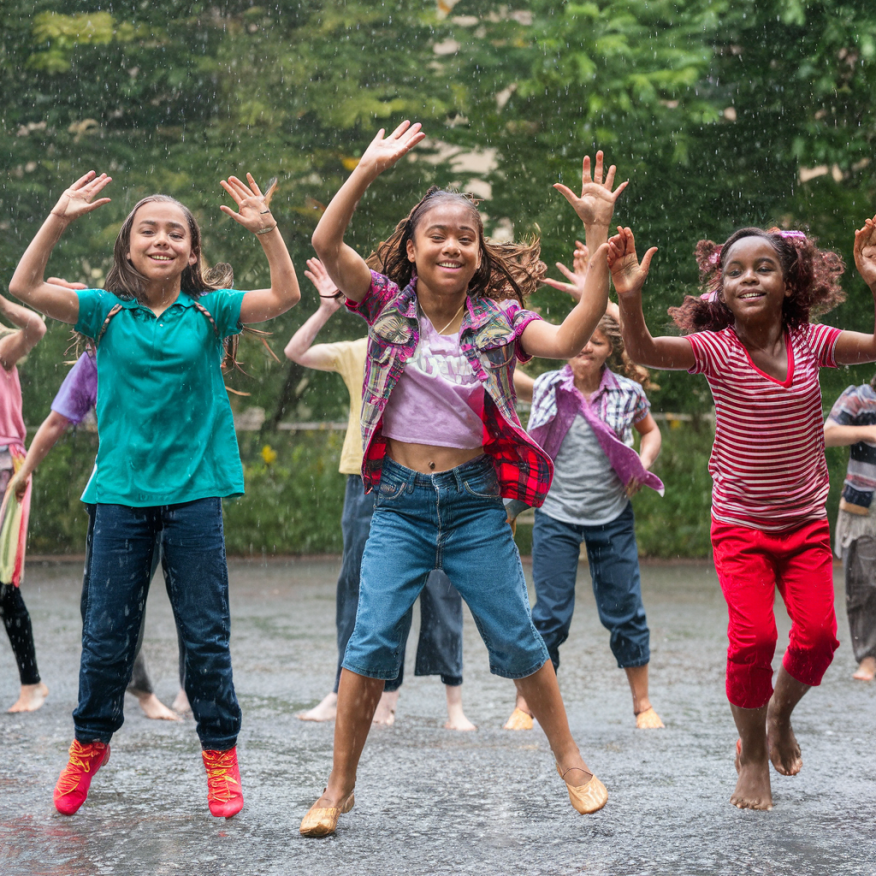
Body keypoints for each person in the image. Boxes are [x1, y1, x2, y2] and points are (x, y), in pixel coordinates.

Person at [300, 120, 625, 837]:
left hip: (476, 506)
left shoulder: (500, 320)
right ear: (412, 248)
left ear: (479, 254)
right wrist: (366, 171)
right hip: (400, 505)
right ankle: (337, 787)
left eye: (466, 237)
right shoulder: (386, 305)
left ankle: (571, 762)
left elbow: (572, 339)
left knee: (517, 639)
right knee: (369, 642)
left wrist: (599, 238)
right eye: (437, 235)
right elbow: (326, 246)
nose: (452, 244)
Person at [9, 169, 300, 818]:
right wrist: (59, 216)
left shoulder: (211, 310)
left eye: (176, 232)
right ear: (129, 247)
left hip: (195, 495)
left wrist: (266, 229)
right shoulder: (103, 310)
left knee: (205, 634)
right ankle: (88, 745)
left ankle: (219, 754)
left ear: (193, 251)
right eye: (149, 230)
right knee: (106, 634)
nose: (162, 239)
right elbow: (24, 286)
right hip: (121, 497)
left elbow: (285, 293)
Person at [609, 215, 876, 811]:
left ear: (790, 282)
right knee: (753, 638)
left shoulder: (814, 341)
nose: (748, 278)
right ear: (721, 290)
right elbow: (644, 349)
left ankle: (777, 716)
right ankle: (752, 755)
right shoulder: (716, 349)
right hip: (740, 524)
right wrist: (629, 296)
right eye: (734, 271)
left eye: (763, 268)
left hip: (804, 521)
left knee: (821, 638)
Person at [285, 258, 474, 730]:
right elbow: (296, 350)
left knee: (439, 587)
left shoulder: (428, 345)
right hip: (367, 479)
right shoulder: (356, 349)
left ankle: (442, 699)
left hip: (426, 476)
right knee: (359, 587)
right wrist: (327, 309)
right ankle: (345, 690)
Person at [506, 282, 664, 732]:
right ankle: (524, 705)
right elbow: (505, 389)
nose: (586, 349)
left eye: (596, 341)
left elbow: (650, 434)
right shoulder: (549, 388)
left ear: (609, 347)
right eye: (580, 340)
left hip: (611, 515)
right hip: (555, 514)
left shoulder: (628, 393)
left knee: (625, 609)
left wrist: (644, 463)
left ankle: (642, 704)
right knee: (548, 614)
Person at [8, 341, 183, 721]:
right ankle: (115, 698)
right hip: (112, 497)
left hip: (176, 493)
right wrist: (25, 471)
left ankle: (174, 690)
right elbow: (56, 421)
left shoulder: (166, 346)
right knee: (99, 603)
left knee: (181, 598)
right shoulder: (95, 361)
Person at [0, 294, 49, 712]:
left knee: (2, 582)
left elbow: (36, 328)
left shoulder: (2, 348)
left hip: (6, 472)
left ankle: (31, 683)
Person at [824, 380, 876, 681]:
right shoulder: (861, 397)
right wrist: (867, 432)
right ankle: (868, 657)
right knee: (863, 584)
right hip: (864, 508)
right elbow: (827, 433)